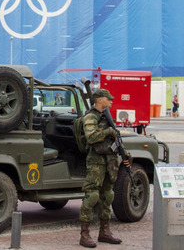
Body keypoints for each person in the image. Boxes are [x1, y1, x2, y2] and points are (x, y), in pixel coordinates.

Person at [79, 88, 131, 248]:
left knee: (107, 195)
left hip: (110, 161)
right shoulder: (90, 117)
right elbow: (91, 137)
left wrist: (126, 154)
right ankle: (84, 234)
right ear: (100, 100)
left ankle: (105, 232)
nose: (111, 101)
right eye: (108, 99)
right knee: (92, 196)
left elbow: (115, 141)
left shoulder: (107, 118)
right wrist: (108, 131)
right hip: (96, 162)